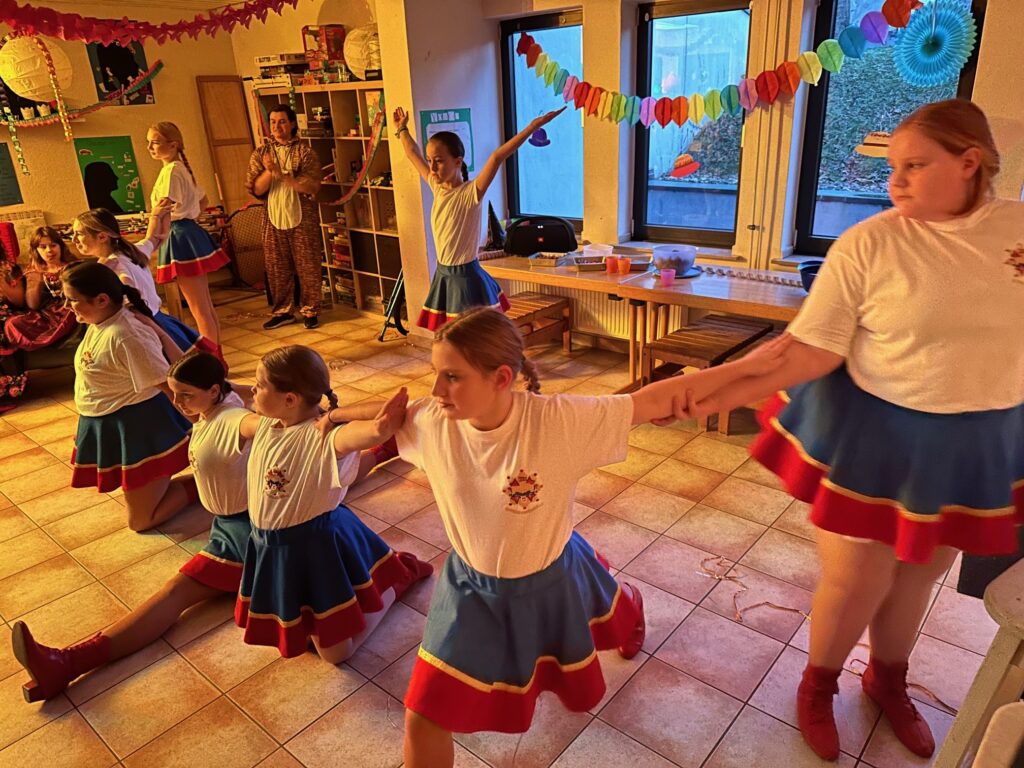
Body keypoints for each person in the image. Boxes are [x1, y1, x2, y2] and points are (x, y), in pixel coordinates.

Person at [674, 100, 1024, 761]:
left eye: (914, 167)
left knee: (920, 574)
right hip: (876, 431)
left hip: (973, 440)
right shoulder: (872, 241)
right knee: (856, 577)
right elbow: (804, 350)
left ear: (969, 162)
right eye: (892, 169)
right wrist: (699, 389)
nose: (895, 183)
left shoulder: (1019, 231)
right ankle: (818, 684)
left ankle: (888, 678)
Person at [375, 307, 790, 768]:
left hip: (546, 573)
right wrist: (333, 420)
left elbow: (653, 400)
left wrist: (752, 365)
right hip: (470, 590)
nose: (435, 391)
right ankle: (619, 599)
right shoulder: (433, 419)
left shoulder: (557, 423)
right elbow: (380, 419)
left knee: (601, 611)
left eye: (452, 376)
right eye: (436, 374)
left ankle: (630, 605)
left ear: (500, 378)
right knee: (423, 712)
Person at [236, 345, 433, 661]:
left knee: (335, 655)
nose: (252, 391)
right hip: (272, 545)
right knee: (307, 625)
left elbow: (386, 422)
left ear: (290, 399)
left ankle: (398, 580)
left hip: (314, 547)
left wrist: (335, 415)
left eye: (259, 386)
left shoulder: (325, 437)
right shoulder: (264, 425)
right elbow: (227, 400)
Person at [391, 106, 563, 330]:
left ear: (458, 162)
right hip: (444, 275)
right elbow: (412, 153)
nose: (431, 167)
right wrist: (402, 129)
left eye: (439, 161)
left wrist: (532, 127)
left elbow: (497, 157)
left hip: (466, 279)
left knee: (470, 337)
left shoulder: (471, 193)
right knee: (449, 337)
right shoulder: (437, 186)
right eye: (430, 160)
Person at [62, 261, 195, 532]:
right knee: (140, 506)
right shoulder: (99, 321)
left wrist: (205, 427)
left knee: (140, 521)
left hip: (139, 429)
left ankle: (205, 483)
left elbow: (170, 387)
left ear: (101, 300)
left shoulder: (126, 335)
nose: (67, 307)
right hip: (115, 424)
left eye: (72, 300)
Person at [71, 206, 217, 358]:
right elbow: (154, 238)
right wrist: (158, 215)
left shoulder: (115, 267)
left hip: (147, 328)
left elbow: (129, 295)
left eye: (79, 234)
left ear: (102, 237)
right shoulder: (131, 251)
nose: (74, 239)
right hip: (161, 321)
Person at [146, 121, 230, 355]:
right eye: (148, 142)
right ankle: (217, 354)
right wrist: (190, 215)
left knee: (198, 307)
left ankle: (214, 359)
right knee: (204, 304)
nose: (150, 147)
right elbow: (202, 201)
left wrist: (150, 239)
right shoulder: (180, 168)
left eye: (155, 142)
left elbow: (163, 209)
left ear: (172, 145)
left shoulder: (172, 170)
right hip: (188, 232)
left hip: (180, 236)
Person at [245, 104, 323, 330]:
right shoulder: (261, 154)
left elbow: (311, 186)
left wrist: (285, 176)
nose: (277, 126)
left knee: (308, 265)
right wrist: (270, 172)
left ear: (292, 124)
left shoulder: (305, 153)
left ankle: (311, 309)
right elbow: (256, 189)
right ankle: (283, 311)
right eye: (273, 122)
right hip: (273, 218)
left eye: (281, 121)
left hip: (301, 218)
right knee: (276, 267)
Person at [5, 226, 78, 353]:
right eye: (43, 247)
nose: (49, 250)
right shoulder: (33, 272)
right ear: (36, 251)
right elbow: (33, 305)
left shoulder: (75, 266)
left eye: (53, 245)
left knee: (72, 312)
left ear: (60, 246)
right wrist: (36, 279)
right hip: (46, 316)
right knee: (12, 323)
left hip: (70, 310)